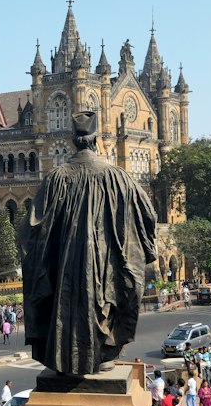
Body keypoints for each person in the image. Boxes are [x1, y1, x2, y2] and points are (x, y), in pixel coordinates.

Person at [20, 110, 157, 378]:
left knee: (66, 301)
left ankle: (63, 357)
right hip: (108, 264)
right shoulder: (119, 178)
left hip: (64, 268)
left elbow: (30, 230)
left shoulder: (56, 178)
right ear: (96, 141)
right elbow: (147, 217)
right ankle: (103, 352)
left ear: (73, 141)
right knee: (104, 301)